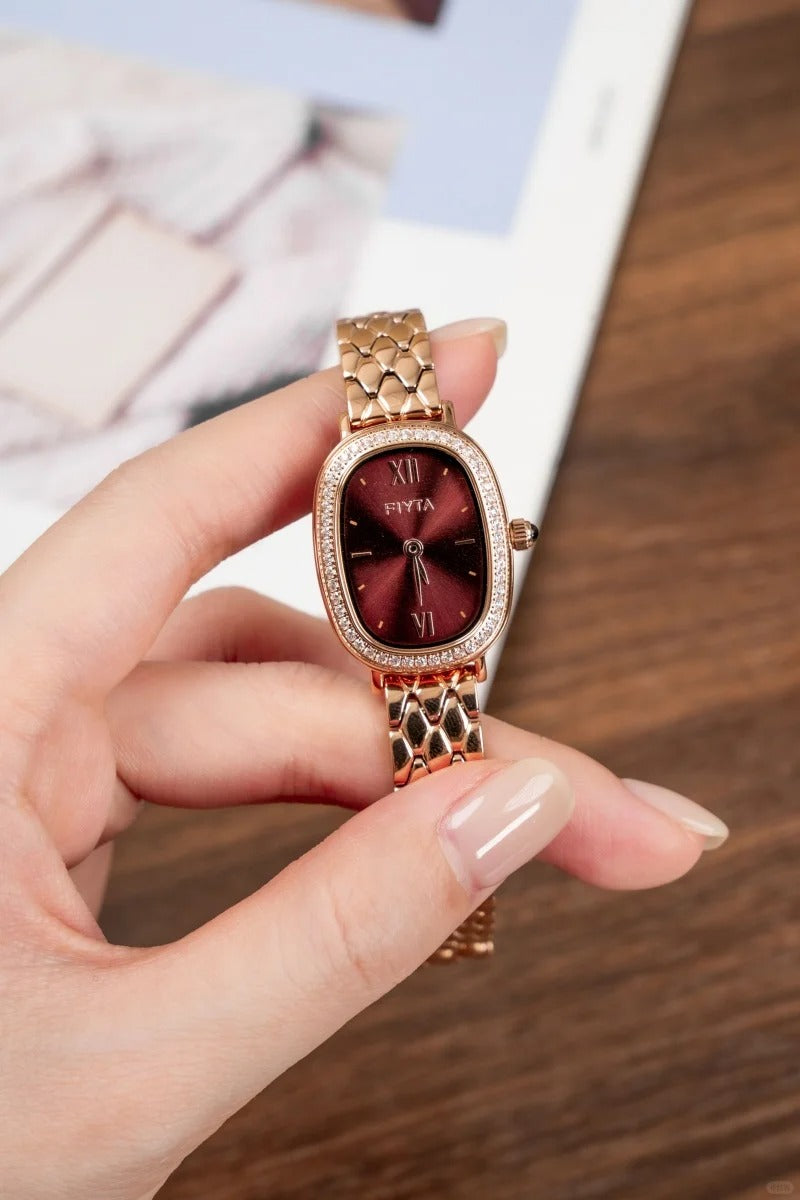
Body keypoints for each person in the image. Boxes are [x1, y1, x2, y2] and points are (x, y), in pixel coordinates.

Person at [0, 319, 728, 1199]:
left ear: (498, 535)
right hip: (419, 663)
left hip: (430, 658)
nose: (412, 550)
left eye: (427, 543)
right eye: (398, 546)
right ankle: (456, 926)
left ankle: (457, 926)